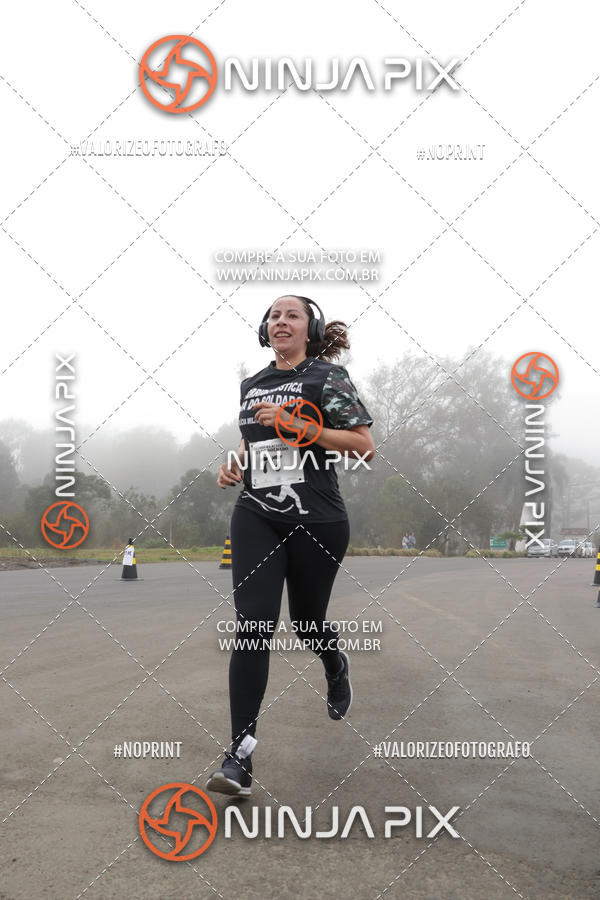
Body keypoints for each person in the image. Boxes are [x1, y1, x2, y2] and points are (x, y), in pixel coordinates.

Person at [206, 294, 375, 797]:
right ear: (266, 329)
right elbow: (254, 440)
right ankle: (239, 754)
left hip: (318, 518)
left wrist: (311, 430)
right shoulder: (252, 384)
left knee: (305, 622)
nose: (281, 321)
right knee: (254, 624)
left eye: (292, 315)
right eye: (274, 315)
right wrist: (233, 462)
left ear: (310, 329)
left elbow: (364, 446)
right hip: (257, 512)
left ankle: (334, 663)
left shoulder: (328, 378)